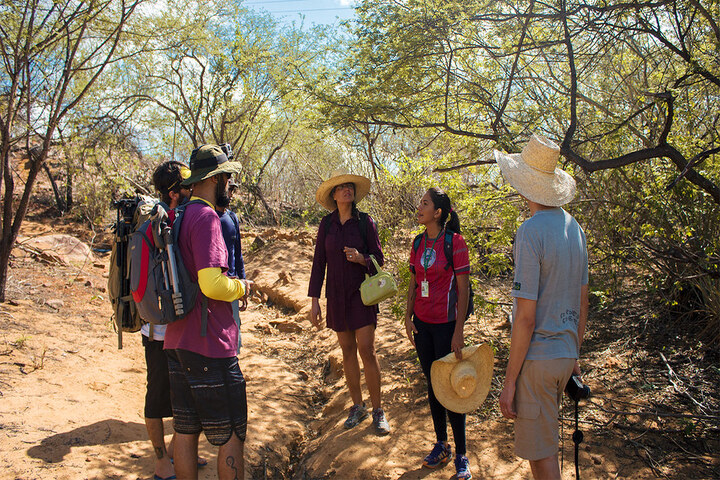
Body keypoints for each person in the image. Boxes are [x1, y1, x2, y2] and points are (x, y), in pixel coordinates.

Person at [495, 134, 589, 480]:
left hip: (538, 361)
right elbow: (582, 302)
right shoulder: (575, 229)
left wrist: (509, 381)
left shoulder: (531, 231)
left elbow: (525, 318)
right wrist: (574, 355)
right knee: (549, 443)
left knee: (542, 456)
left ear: (525, 185)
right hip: (565, 354)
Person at [163, 144, 252, 480]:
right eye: (227, 178)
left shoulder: (181, 214)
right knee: (231, 434)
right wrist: (243, 287)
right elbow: (213, 285)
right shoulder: (207, 217)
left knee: (186, 432)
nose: (229, 185)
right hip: (210, 344)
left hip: (177, 340)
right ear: (215, 179)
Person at [308, 171, 390, 435]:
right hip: (336, 296)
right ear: (334, 195)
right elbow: (318, 262)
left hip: (361, 295)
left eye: (350, 187)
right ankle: (358, 406)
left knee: (367, 349)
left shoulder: (365, 222)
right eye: (341, 188)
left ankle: (378, 410)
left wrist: (361, 259)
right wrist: (314, 301)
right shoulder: (326, 225)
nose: (347, 191)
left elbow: (379, 258)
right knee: (346, 350)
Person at [142, 160, 207, 480]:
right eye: (186, 184)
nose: (192, 188)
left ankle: (179, 452)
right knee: (157, 392)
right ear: (172, 192)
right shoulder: (156, 222)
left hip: (182, 324)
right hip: (158, 328)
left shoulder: (184, 218)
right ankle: (160, 459)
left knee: (186, 389)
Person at [404, 187, 473, 480]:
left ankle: (461, 456)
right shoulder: (418, 242)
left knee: (452, 388)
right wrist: (408, 317)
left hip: (447, 327)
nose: (419, 207)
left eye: (425, 203)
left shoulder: (455, 243)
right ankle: (441, 445)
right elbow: (413, 282)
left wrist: (458, 331)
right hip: (422, 325)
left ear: (438, 213)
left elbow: (463, 289)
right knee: (434, 386)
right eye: (420, 203)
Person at [216, 179, 246, 353]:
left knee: (233, 341)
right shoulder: (207, 216)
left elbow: (238, 254)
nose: (230, 195)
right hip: (212, 285)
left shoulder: (232, 217)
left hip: (232, 287)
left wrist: (242, 283)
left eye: (232, 191)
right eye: (228, 190)